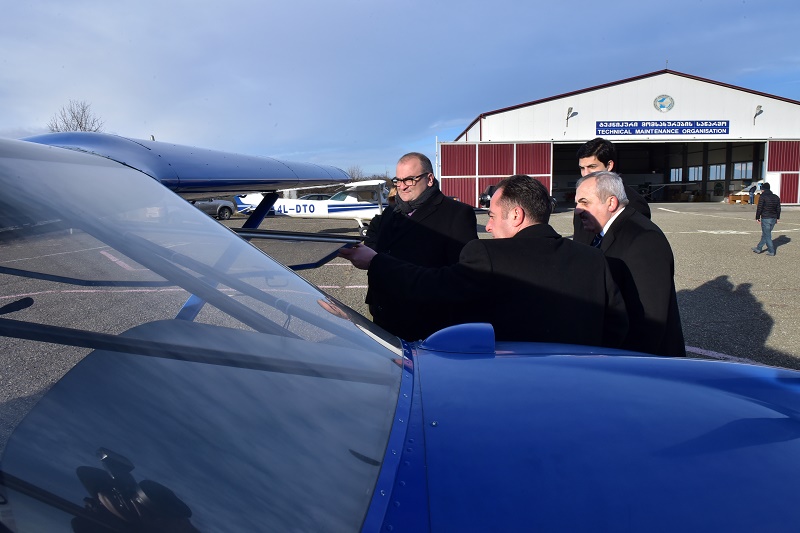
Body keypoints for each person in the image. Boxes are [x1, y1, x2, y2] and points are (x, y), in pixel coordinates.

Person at [340, 175, 628, 347]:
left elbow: (428, 285)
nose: (488, 227)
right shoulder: (593, 258)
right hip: (582, 386)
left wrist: (376, 262)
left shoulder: (489, 256)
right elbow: (616, 328)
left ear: (516, 215)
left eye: (491, 216)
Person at [356, 152, 478, 340]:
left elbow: (461, 276)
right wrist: (368, 255)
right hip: (383, 316)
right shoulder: (393, 211)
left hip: (424, 321)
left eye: (410, 180)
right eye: (398, 180)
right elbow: (378, 241)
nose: (402, 186)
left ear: (429, 179)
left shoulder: (457, 214)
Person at [575, 171, 685, 357]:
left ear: (611, 203)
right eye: (577, 203)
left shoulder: (644, 239)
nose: (578, 210)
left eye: (584, 202)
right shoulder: (602, 232)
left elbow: (650, 318)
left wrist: (628, 363)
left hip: (641, 361)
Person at [573, 138, 651, 245]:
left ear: (609, 165)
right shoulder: (581, 198)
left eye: (592, 166)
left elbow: (635, 245)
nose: (585, 173)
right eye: (582, 168)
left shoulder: (633, 201)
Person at [753, 181, 781, 256]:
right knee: (765, 234)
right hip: (773, 218)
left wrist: (757, 217)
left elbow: (760, 208)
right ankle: (759, 248)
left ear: (763, 189)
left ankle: (771, 250)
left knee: (767, 235)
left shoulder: (763, 197)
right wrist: (778, 217)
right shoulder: (776, 197)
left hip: (766, 218)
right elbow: (778, 208)